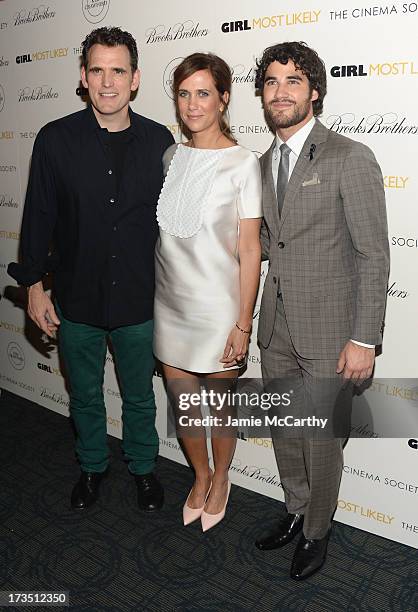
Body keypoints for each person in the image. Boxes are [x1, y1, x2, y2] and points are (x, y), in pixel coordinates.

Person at [8, 27, 174, 512]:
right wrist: (35, 289)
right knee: (84, 396)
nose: (107, 82)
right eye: (97, 70)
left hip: (140, 299)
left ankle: (144, 470)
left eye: (117, 70)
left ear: (135, 78)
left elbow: (173, 225)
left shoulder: (159, 141)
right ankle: (92, 466)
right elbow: (39, 215)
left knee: (140, 396)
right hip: (77, 298)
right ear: (83, 76)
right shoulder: (56, 139)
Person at [254, 42, 389, 579]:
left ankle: (317, 529)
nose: (281, 91)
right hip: (276, 326)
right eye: (270, 81)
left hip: (332, 332)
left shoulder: (349, 157)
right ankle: (293, 509)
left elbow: (373, 254)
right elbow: (271, 241)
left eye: (293, 80)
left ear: (315, 91)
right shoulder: (263, 163)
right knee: (286, 431)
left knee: (321, 438)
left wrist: (364, 337)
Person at [153, 53, 262, 531]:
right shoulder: (171, 157)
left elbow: (250, 249)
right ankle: (200, 476)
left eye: (203, 93)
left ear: (223, 98)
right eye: (184, 93)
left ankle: (223, 481)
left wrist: (244, 322)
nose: (193, 104)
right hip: (169, 304)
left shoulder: (244, 164)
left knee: (218, 408)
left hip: (220, 309)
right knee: (183, 406)